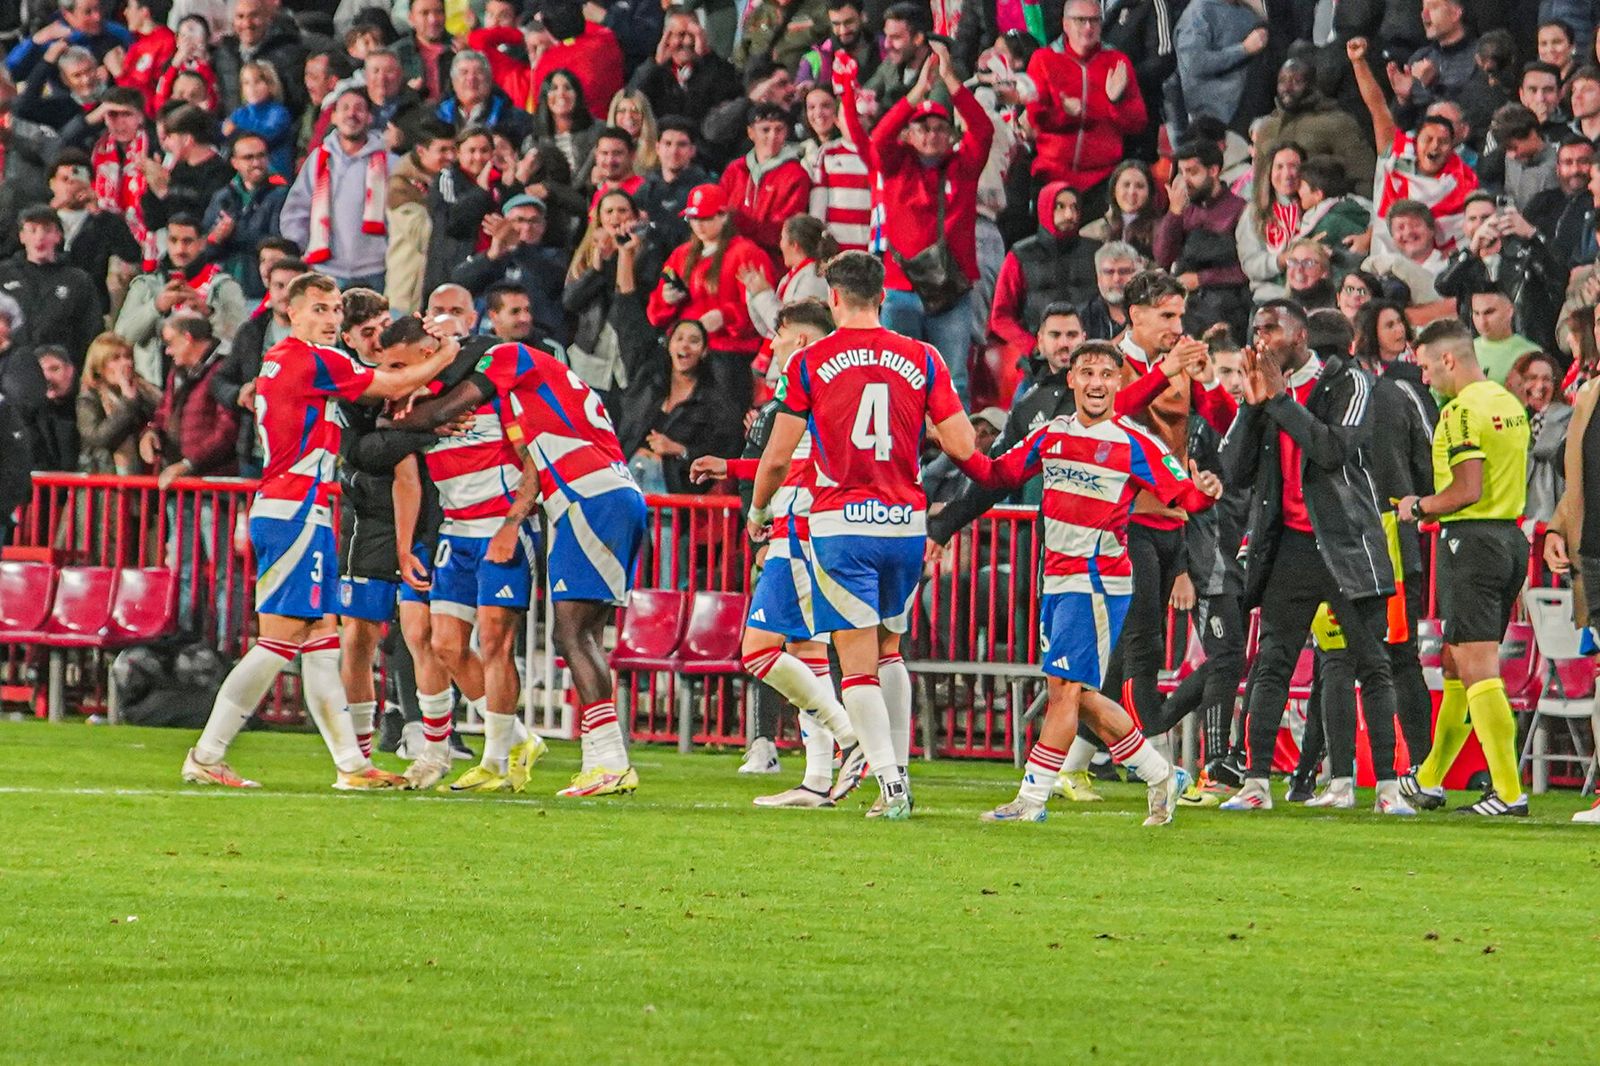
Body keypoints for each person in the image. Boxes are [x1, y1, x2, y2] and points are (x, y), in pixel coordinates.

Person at [180, 272, 460, 790]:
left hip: (293, 507)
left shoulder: (286, 361)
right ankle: (207, 751)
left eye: (336, 311)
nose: (331, 320)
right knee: (280, 641)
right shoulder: (313, 360)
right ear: (292, 313)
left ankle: (352, 766)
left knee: (321, 641)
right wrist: (446, 352)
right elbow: (393, 384)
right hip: (294, 509)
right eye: (321, 310)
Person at [745, 250, 977, 819]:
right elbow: (963, 444)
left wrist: (756, 511)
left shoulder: (810, 361)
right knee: (892, 650)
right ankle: (896, 765)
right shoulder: (922, 356)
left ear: (835, 299)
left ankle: (889, 783)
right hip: (904, 524)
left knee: (857, 667)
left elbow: (776, 459)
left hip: (841, 523)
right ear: (883, 297)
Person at [948, 340, 1220, 824]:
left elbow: (1182, 497)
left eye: (1106, 374)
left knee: (1065, 693)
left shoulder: (1135, 443)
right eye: (1087, 373)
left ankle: (1031, 800)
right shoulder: (1049, 436)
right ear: (1071, 380)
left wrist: (1204, 491)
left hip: (1096, 583)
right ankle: (1161, 775)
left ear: (1119, 382)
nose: (1096, 382)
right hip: (1055, 580)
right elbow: (996, 474)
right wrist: (960, 450)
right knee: (1081, 696)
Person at [386, 314, 650, 798]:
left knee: (572, 634)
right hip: (593, 492)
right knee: (581, 631)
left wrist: (406, 405)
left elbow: (441, 412)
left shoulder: (507, 359)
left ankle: (609, 761)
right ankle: (596, 761)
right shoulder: (534, 392)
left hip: (587, 492)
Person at [1218, 300, 1412, 815]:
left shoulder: (1348, 382)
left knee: (1372, 663)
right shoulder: (1266, 391)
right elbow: (1233, 470)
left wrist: (1279, 401)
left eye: (1271, 328)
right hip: (1291, 548)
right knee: (1272, 663)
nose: (1261, 338)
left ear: (1300, 335)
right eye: (1255, 328)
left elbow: (1331, 449)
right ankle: (1256, 782)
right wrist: (1250, 405)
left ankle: (1388, 789)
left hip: (1347, 541)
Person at [1398, 318, 1532, 816]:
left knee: (1477, 667)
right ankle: (1430, 778)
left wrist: (1419, 506)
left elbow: (1466, 491)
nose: (1426, 378)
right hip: (1509, 539)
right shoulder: (1507, 404)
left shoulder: (1459, 412)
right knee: (1456, 661)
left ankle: (1509, 792)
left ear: (1449, 360)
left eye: (1428, 367)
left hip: (1472, 541)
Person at [871, 42, 993, 405]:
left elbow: (983, 131)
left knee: (953, 381)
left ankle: (953, 462)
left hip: (951, 293)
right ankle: (901, 457)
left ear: (951, 135)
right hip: (899, 291)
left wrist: (951, 80)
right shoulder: (896, 165)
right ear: (909, 134)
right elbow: (878, 138)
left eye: (940, 128)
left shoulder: (964, 166)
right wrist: (917, 92)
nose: (931, 134)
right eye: (922, 128)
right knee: (896, 381)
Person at [646, 183, 774, 406]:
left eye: (705, 218)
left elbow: (762, 312)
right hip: (687, 354)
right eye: (693, 219)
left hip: (729, 355)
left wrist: (726, 315)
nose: (699, 225)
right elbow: (655, 312)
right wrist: (666, 300)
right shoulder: (682, 254)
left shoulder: (746, 253)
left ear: (724, 216)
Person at [1024, 0, 1146, 207]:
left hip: (1102, 178)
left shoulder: (1117, 61)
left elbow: (1138, 123)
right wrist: (1065, 113)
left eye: (1095, 20)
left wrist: (1115, 102)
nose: (1089, 27)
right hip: (1052, 175)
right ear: (1065, 24)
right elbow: (1036, 119)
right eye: (1081, 20)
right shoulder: (1043, 59)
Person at [280, 86, 396, 289]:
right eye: (345, 108)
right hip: (325, 270)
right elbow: (296, 208)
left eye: (359, 108)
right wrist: (298, 248)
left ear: (369, 117)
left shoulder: (390, 163)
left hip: (377, 271)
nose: (352, 114)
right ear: (333, 117)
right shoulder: (318, 159)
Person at [114, 213, 247, 383]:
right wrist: (155, 307)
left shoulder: (224, 286)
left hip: (206, 388)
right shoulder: (145, 285)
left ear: (201, 243)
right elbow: (121, 338)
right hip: (153, 391)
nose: (180, 249)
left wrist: (209, 313)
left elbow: (242, 341)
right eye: (173, 241)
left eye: (187, 241)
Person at [618, 318, 744, 494]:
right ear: (669, 346)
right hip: (630, 484)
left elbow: (723, 452)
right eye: (679, 339)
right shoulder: (651, 390)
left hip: (673, 497)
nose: (685, 345)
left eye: (694, 341)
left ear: (704, 351)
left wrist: (679, 449)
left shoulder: (713, 402)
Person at [988, 183, 1101, 364]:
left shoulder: (1096, 252)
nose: (1069, 215)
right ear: (1045, 208)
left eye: (1074, 207)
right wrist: (1033, 347)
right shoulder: (1020, 255)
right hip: (1038, 362)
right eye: (1060, 206)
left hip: (1090, 356)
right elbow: (1001, 317)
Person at [1156, 138, 1250, 338]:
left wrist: (1201, 279)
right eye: (1182, 173)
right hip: (1188, 304)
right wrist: (1173, 213)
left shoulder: (1239, 209)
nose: (1185, 180)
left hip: (1228, 303)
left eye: (1193, 172)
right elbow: (1163, 257)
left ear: (1213, 171)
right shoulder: (1184, 209)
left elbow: (1246, 268)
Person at [0, 206, 101, 367]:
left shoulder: (78, 280)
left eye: (47, 230)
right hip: (10, 370)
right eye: (32, 230)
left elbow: (91, 332)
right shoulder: (3, 275)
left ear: (58, 236)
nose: (40, 237)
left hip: (62, 371)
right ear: (22, 237)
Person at [719, 101, 811, 272]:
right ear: (751, 132)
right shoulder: (735, 170)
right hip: (730, 260)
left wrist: (738, 222)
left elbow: (785, 230)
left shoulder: (796, 175)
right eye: (765, 130)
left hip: (773, 264)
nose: (772, 136)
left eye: (779, 129)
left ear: (787, 132)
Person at [202, 133, 289, 298]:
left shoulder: (282, 194)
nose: (256, 163)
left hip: (261, 291)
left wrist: (232, 234)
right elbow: (205, 247)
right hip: (223, 290)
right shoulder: (222, 197)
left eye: (261, 156)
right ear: (235, 162)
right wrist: (216, 239)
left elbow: (278, 243)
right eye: (248, 158)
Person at [76, 331, 158, 474]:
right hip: (103, 482)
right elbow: (99, 438)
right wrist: (128, 402)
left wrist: (150, 430)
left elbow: (161, 418)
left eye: (127, 357)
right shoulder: (89, 398)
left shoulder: (146, 392)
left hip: (142, 480)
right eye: (115, 358)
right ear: (99, 366)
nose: (126, 363)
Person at [1512, 349, 1571, 522]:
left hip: (1549, 517)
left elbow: (1545, 450)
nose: (1540, 386)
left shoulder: (1568, 418)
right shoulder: (1511, 419)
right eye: (1532, 378)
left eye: (1546, 379)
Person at [1080, 160, 1159, 260]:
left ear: (1150, 193)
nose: (1132, 192)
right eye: (1126, 185)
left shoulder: (1160, 229)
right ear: (1114, 189)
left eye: (1139, 186)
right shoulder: (1091, 232)